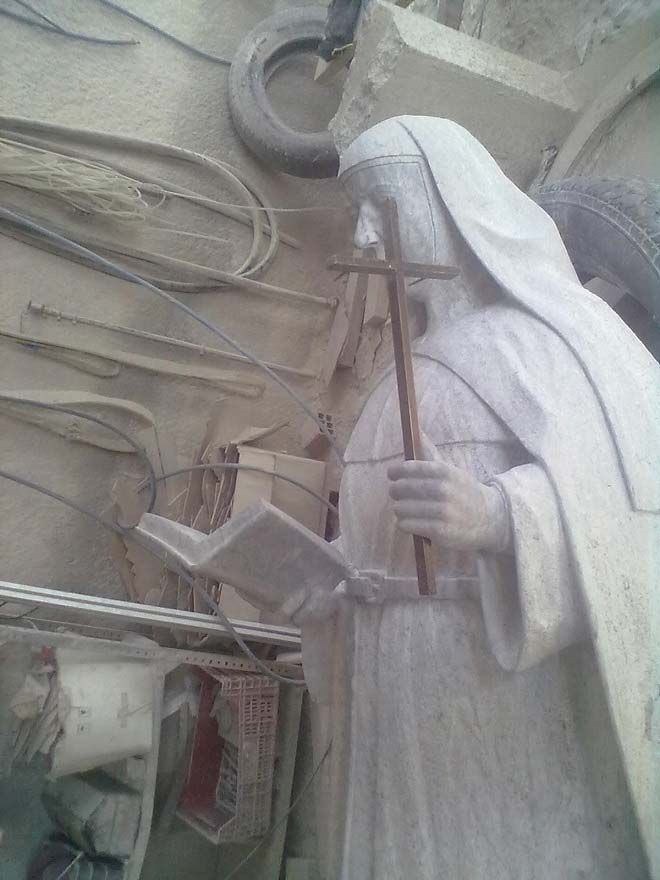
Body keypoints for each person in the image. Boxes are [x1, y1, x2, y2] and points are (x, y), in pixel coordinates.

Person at [301, 116, 659, 880]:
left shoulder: (558, 342)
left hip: (497, 690)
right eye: (355, 213)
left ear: (446, 198)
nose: (365, 239)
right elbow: (378, 539)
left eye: (381, 203)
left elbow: (638, 511)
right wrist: (324, 575)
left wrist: (500, 516)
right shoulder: (394, 382)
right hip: (390, 686)